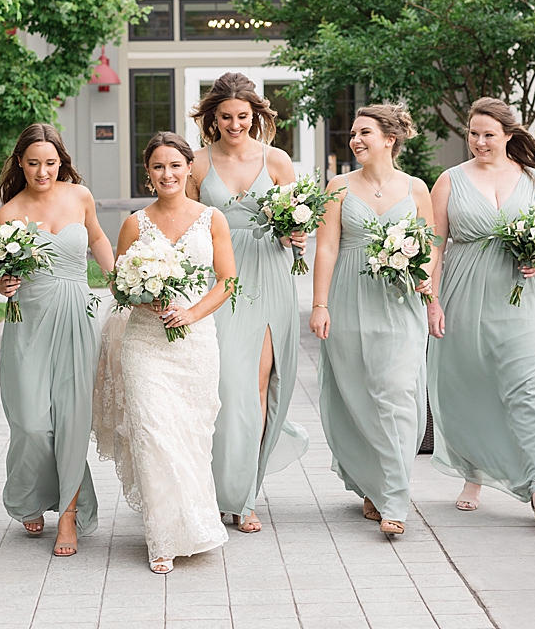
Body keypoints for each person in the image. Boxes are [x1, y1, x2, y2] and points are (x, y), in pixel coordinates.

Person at [425, 98, 535, 524]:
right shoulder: (450, 181)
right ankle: (473, 473)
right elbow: (434, 248)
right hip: (465, 295)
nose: (479, 141)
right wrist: (432, 301)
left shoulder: (533, 179)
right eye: (473, 134)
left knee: (531, 388)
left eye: (488, 134)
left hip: (522, 297)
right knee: (472, 385)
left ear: (509, 136)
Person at [94, 132, 238, 573]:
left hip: (194, 342)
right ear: (148, 173)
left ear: (189, 168)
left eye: (175, 165)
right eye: (158, 166)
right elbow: (118, 285)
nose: (167, 174)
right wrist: (146, 298)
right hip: (144, 343)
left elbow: (227, 281)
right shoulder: (135, 223)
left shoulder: (212, 219)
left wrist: (192, 313)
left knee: (191, 436)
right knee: (153, 434)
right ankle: (161, 539)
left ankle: (192, 525)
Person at [186, 73, 309, 534]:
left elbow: (299, 220)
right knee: (223, 385)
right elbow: (188, 225)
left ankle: (245, 494)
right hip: (219, 279)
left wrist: (298, 234)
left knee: (257, 385)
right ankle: (217, 486)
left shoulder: (276, 161)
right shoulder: (196, 164)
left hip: (270, 276)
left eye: (242, 116)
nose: (235, 125)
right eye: (225, 117)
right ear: (211, 119)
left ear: (256, 116)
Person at [309, 104, 433, 540]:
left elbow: (430, 246)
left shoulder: (417, 189)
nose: (356, 140)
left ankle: (395, 500)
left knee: (396, 394)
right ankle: (373, 483)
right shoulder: (339, 187)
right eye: (354, 134)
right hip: (348, 298)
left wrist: (427, 284)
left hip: (399, 303)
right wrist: (320, 305)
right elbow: (326, 248)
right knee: (358, 395)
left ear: (390, 138)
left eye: (365, 133)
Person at [0, 124, 116, 557]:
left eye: (50, 162)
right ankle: (30, 492)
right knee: (31, 422)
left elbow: (97, 237)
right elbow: (0, 273)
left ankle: (67, 515)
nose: (42, 171)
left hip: (77, 314)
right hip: (29, 318)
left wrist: (117, 278)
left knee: (71, 419)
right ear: (20, 163)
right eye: (33, 163)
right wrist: (3, 284)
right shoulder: (9, 213)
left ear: (61, 161)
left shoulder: (79, 196)